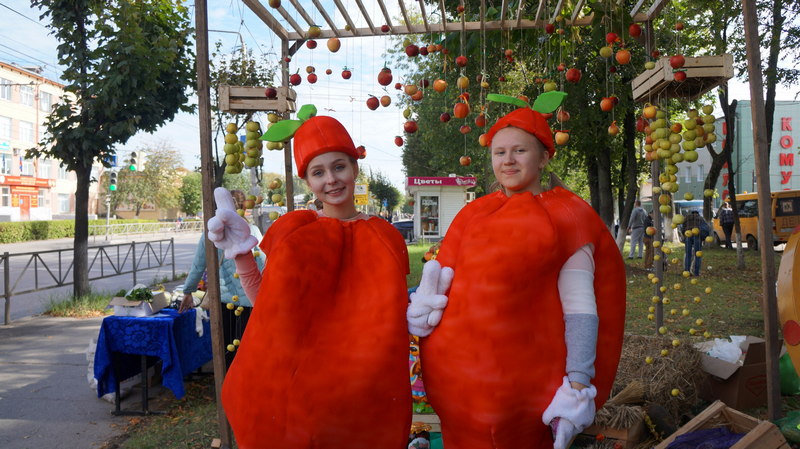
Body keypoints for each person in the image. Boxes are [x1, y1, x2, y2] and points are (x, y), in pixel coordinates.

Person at [407, 104, 626, 449]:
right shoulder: (475, 213)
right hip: (461, 388)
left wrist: (578, 384)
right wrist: (421, 312)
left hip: (528, 391)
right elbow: (442, 282)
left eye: (519, 150)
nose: (508, 160)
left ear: (542, 159)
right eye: (500, 152)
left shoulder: (567, 216)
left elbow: (581, 309)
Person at [206, 105, 411, 449]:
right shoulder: (295, 233)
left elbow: (395, 320)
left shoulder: (385, 237)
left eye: (339, 167)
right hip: (302, 399)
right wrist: (242, 254)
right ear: (307, 181)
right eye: (318, 172)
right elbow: (268, 307)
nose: (331, 179)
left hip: (364, 399)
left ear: (354, 168)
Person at [178, 189, 265, 367]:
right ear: (243, 208)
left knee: (226, 349)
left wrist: (188, 291)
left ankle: (229, 387)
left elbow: (198, 265)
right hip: (252, 301)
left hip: (224, 301)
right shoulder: (252, 230)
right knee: (250, 350)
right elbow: (263, 263)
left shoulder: (211, 234)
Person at [684, 210, 708, 276]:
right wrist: (703, 237)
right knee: (697, 255)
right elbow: (706, 229)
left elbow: (682, 228)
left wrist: (684, 236)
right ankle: (696, 273)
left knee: (688, 255)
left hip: (688, 236)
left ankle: (687, 271)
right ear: (697, 214)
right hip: (697, 236)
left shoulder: (686, 218)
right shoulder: (700, 218)